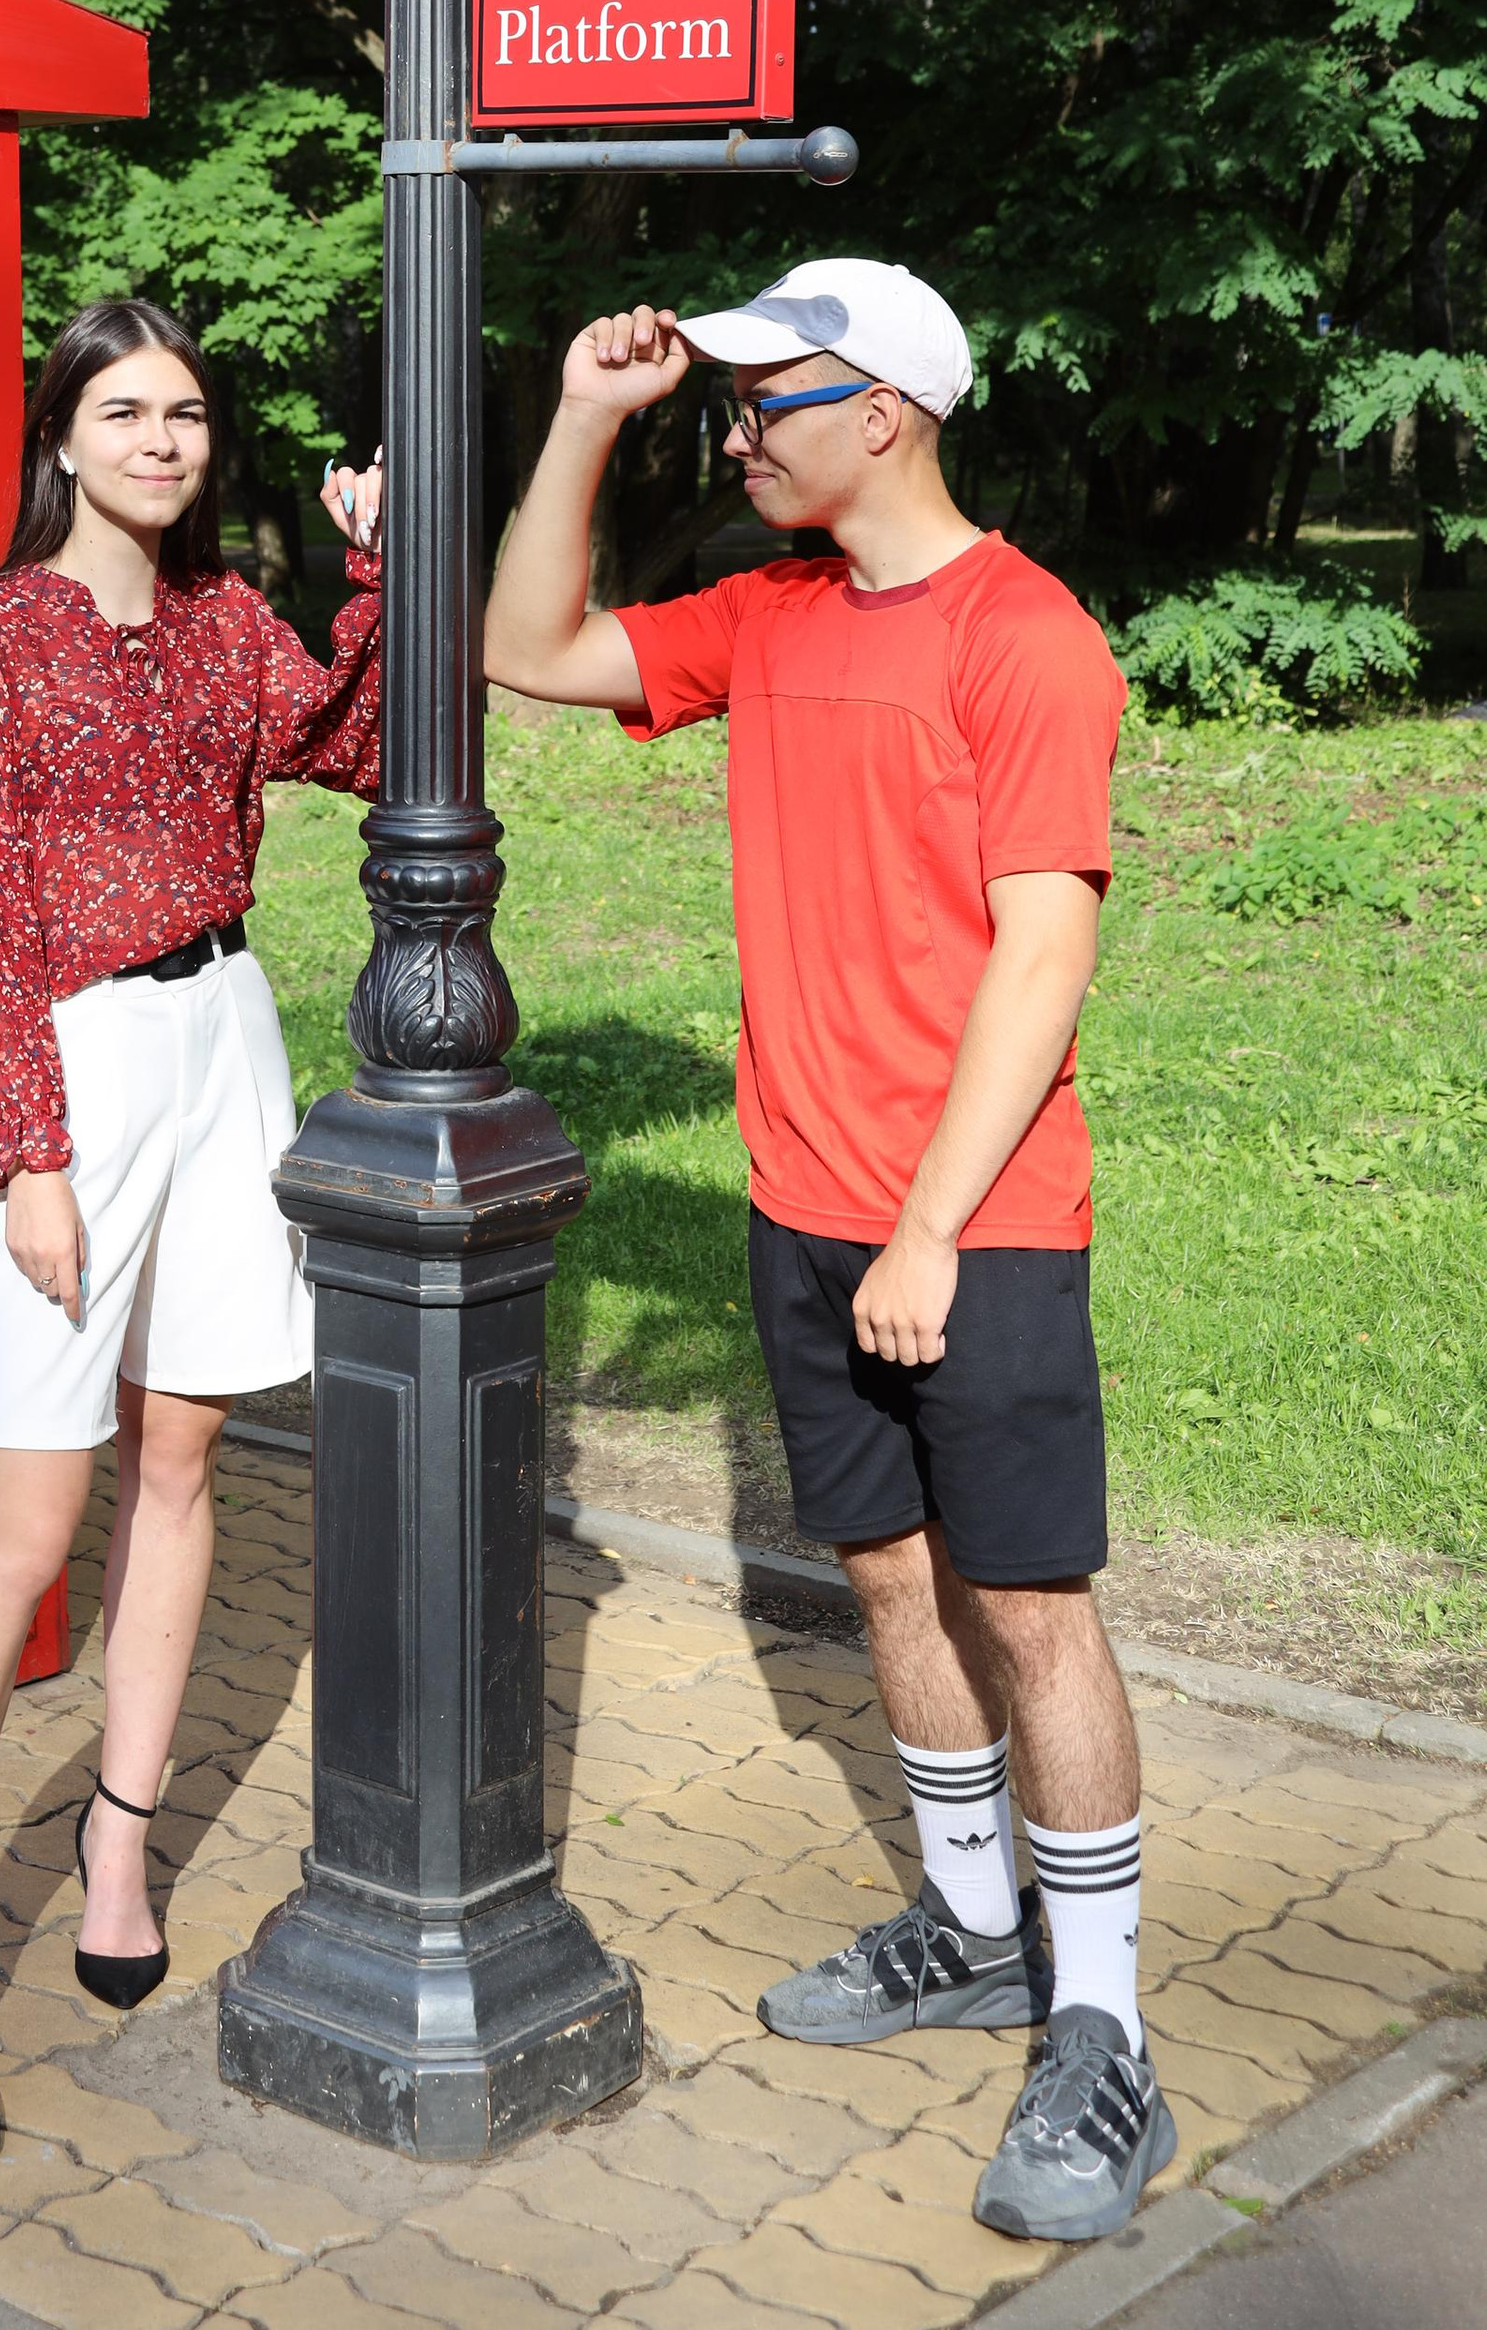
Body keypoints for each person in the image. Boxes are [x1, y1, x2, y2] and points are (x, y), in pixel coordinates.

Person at [482, 258, 1171, 2249]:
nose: (737, 435)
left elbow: (1042, 955)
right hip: (802, 1207)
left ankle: (1104, 2030)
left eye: (762, 402)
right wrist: (585, 413)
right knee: (882, 1571)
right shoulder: (767, 618)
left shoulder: (1025, 638)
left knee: (1027, 1606)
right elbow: (525, 648)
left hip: (975, 1221)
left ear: (881, 413)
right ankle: (968, 1927)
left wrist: (930, 1227)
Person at [0, 295, 384, 2155]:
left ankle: (117, 1846)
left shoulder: (230, 621)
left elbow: (357, 746)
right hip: (75, 1070)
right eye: (125, 413)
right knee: (22, 1529)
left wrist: (378, 571)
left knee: (181, 1460)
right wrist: (22, 1154)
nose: (163, 442)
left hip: (228, 1036)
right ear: (61, 440)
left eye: (186, 415)